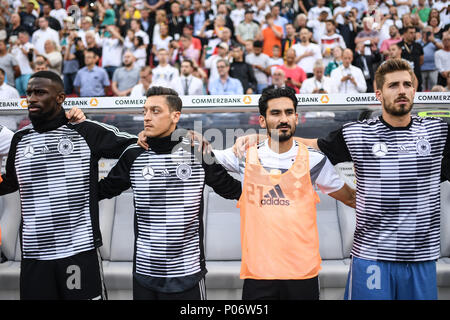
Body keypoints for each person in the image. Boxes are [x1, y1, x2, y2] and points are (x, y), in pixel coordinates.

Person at [298, 59, 450, 299]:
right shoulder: (356, 133)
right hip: (372, 257)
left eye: (407, 84)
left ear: (414, 89)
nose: (401, 90)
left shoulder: (438, 133)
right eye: (393, 85)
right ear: (378, 94)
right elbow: (311, 147)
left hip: (421, 258)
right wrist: (264, 139)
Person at [195, 87, 356, 300]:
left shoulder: (315, 160)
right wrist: (189, 136)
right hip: (259, 273)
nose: (284, 119)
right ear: (262, 120)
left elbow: (351, 198)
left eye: (289, 112)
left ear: (296, 118)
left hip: (302, 272)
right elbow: (202, 156)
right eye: (276, 113)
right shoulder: (244, 155)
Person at [98, 86, 242, 300]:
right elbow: (103, 190)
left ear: (175, 116)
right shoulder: (134, 154)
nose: (146, 117)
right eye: (144, 111)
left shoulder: (198, 151)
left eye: (155, 111)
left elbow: (231, 189)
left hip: (188, 273)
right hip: (145, 272)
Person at [0, 71, 132, 300]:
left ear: (60, 98)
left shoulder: (85, 131)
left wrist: (101, 189)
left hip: (78, 252)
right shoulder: (19, 139)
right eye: (29, 93)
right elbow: (10, 182)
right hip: (35, 256)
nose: (31, 98)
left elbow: (135, 150)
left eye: (39, 92)